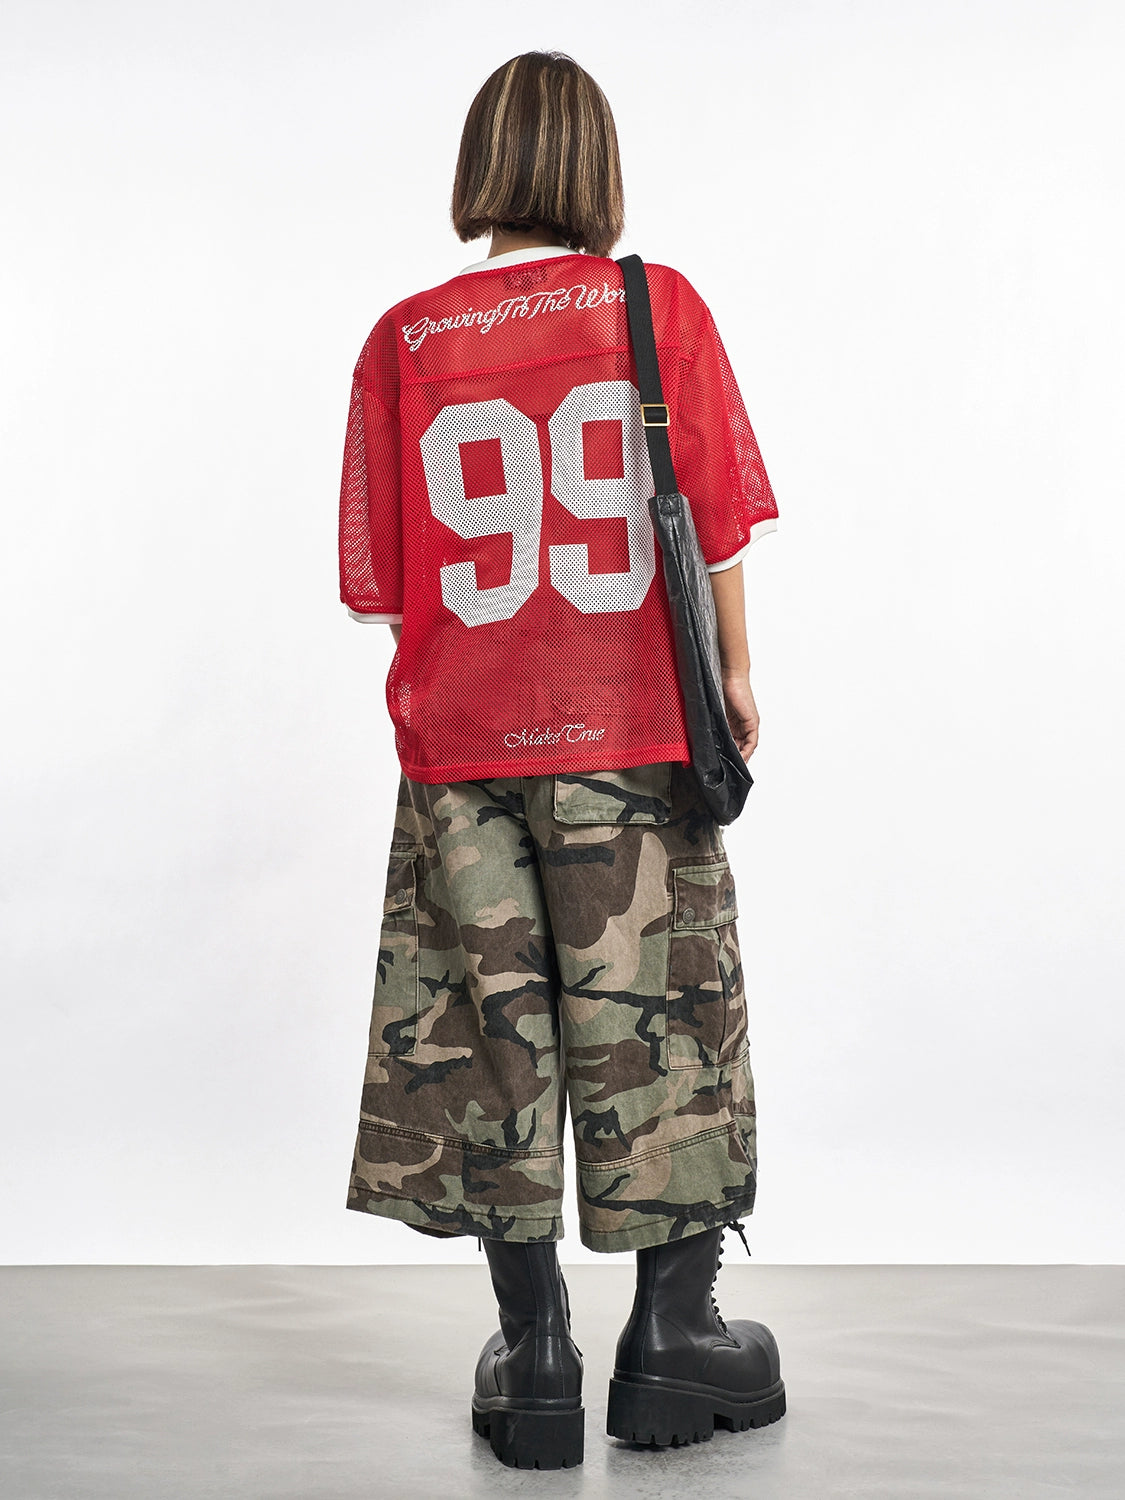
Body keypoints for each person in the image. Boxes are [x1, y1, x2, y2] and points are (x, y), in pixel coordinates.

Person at [336, 50, 785, 1470]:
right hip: (631, 730)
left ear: (480, 170)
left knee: (490, 1029)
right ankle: (673, 1339)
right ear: (596, 168)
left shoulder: (404, 340)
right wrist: (735, 675)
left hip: (462, 745)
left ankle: (534, 1355)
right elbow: (714, 517)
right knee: (661, 1020)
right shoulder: (659, 309)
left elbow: (388, 585)